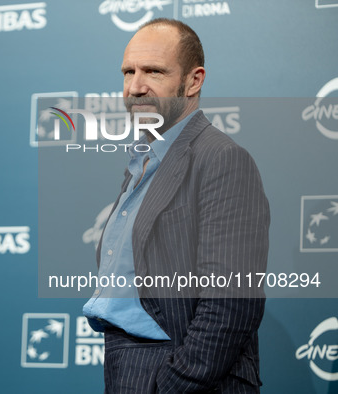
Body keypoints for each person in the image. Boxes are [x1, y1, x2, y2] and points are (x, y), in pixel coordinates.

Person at [82, 18, 270, 393]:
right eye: (128, 72)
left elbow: (232, 299)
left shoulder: (221, 158)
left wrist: (174, 383)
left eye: (153, 71)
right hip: (125, 364)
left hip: (180, 374)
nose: (136, 87)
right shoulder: (143, 161)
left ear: (194, 80)